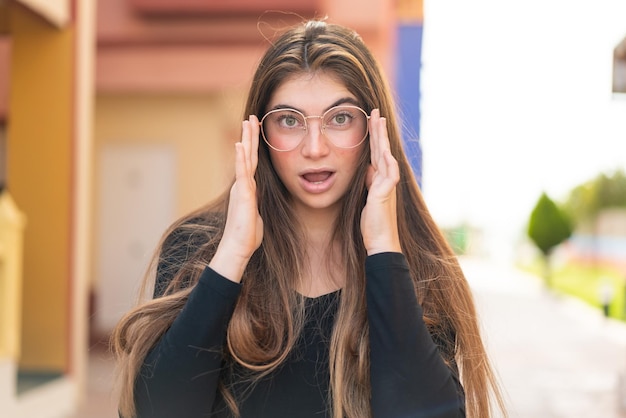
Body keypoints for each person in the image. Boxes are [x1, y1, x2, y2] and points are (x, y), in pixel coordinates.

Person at [111, 19, 506, 418]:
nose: (314, 148)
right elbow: (159, 410)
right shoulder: (197, 248)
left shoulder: (417, 266)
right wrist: (231, 254)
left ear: (374, 130)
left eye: (339, 119)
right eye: (289, 120)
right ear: (258, 133)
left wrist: (384, 252)